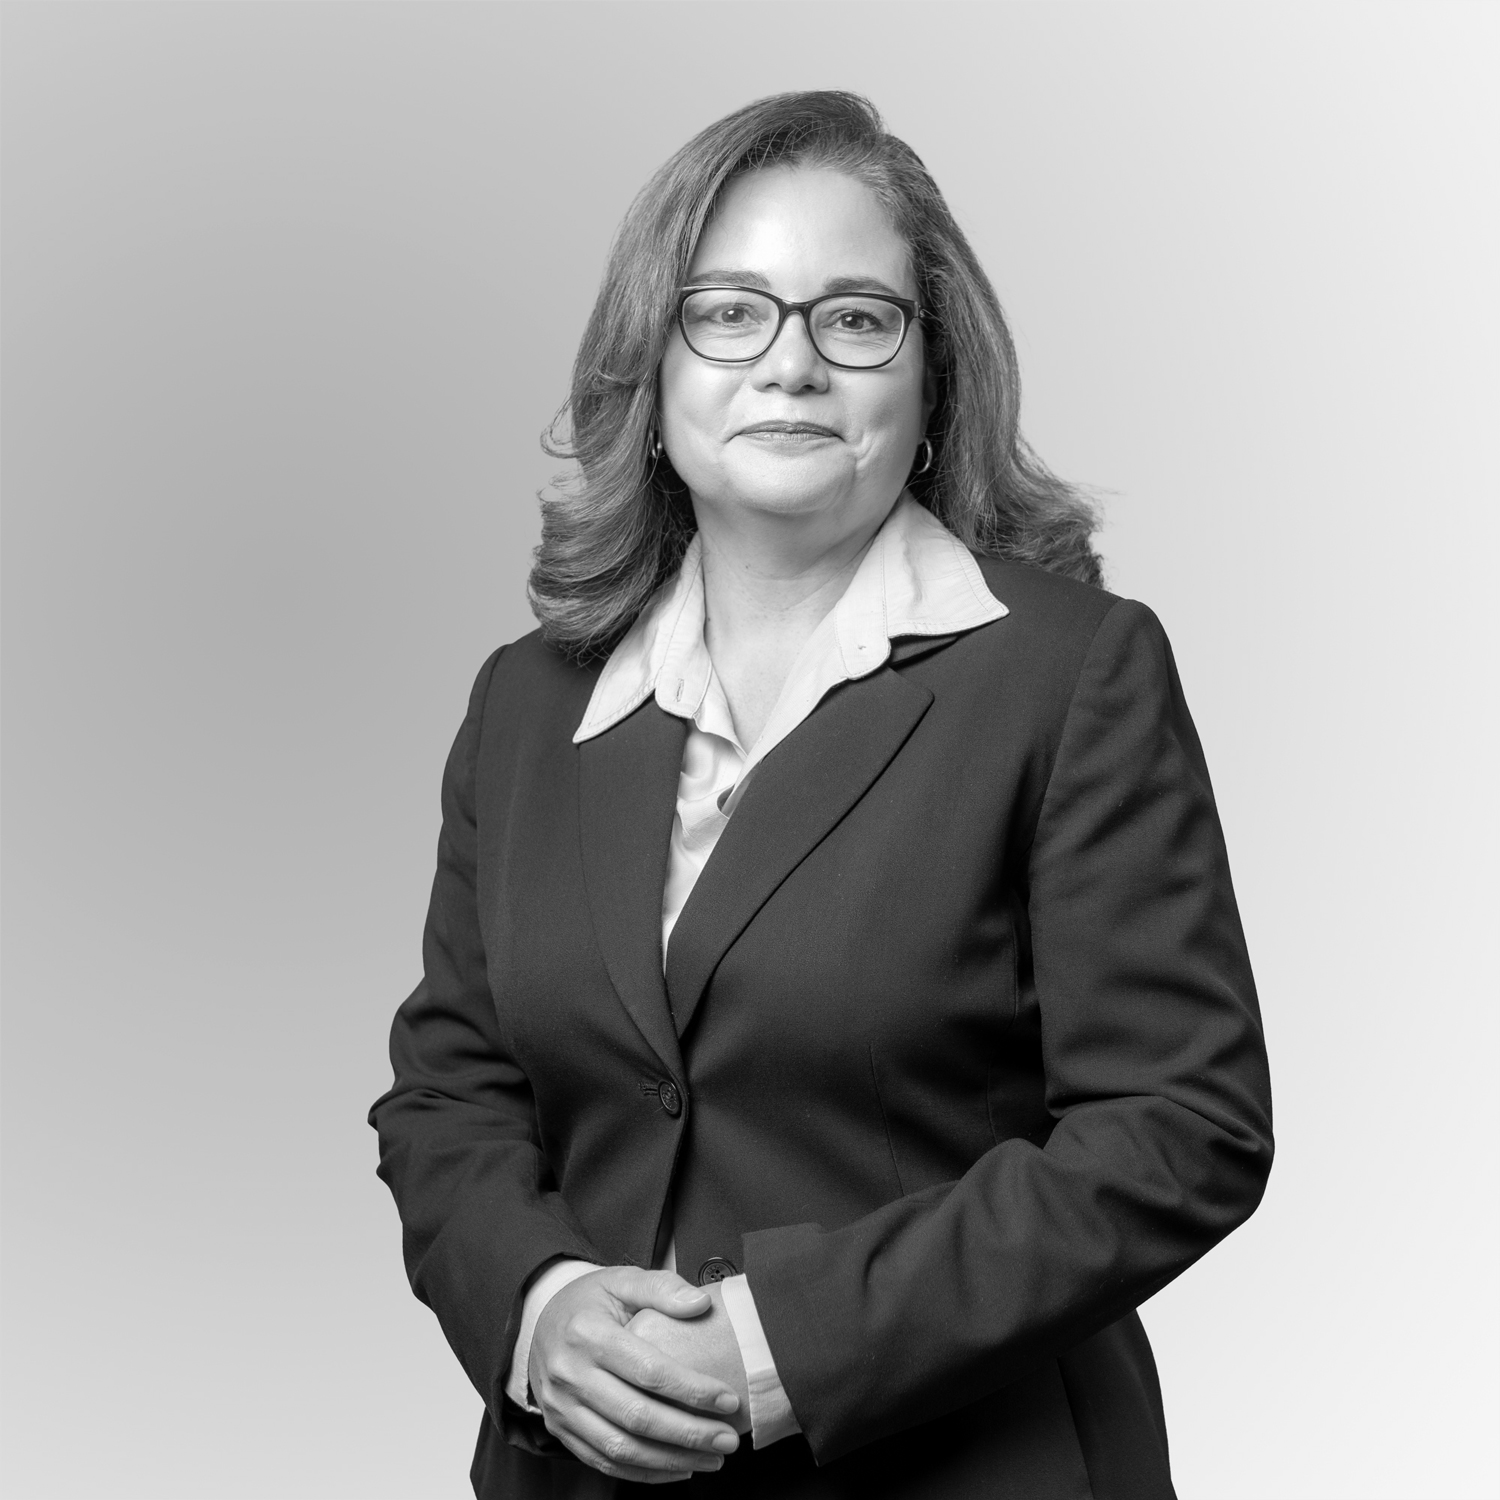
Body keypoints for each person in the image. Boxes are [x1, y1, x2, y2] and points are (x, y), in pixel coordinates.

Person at [369, 91, 1273, 1500]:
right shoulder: (527, 705)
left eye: (855, 320)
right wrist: (537, 1307)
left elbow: (1180, 1125)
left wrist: (776, 1345)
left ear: (934, 383)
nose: (790, 365)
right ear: (651, 369)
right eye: (729, 313)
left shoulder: (1069, 676)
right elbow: (449, 1094)